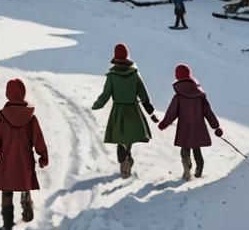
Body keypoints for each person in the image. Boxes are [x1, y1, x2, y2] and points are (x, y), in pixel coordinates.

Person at [0, 78, 48, 230]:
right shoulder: (31, 117)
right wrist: (43, 155)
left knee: (7, 191)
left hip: (7, 161)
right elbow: (38, 138)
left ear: (8, 94)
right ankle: (27, 205)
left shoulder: (2, 117)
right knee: (24, 184)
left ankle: (7, 223)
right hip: (25, 160)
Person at [91, 42, 157, 178]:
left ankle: (124, 160)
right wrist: (150, 111)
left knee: (120, 138)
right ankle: (127, 157)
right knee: (129, 137)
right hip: (133, 110)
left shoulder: (112, 76)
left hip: (118, 111)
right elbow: (143, 95)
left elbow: (105, 95)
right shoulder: (134, 74)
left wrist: (97, 105)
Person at [157, 63, 223, 180]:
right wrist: (216, 127)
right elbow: (208, 112)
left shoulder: (178, 96)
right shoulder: (199, 96)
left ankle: (187, 165)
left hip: (184, 128)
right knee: (197, 149)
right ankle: (199, 170)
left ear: (177, 76)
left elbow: (172, 113)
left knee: (185, 148)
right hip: (198, 127)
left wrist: (163, 124)